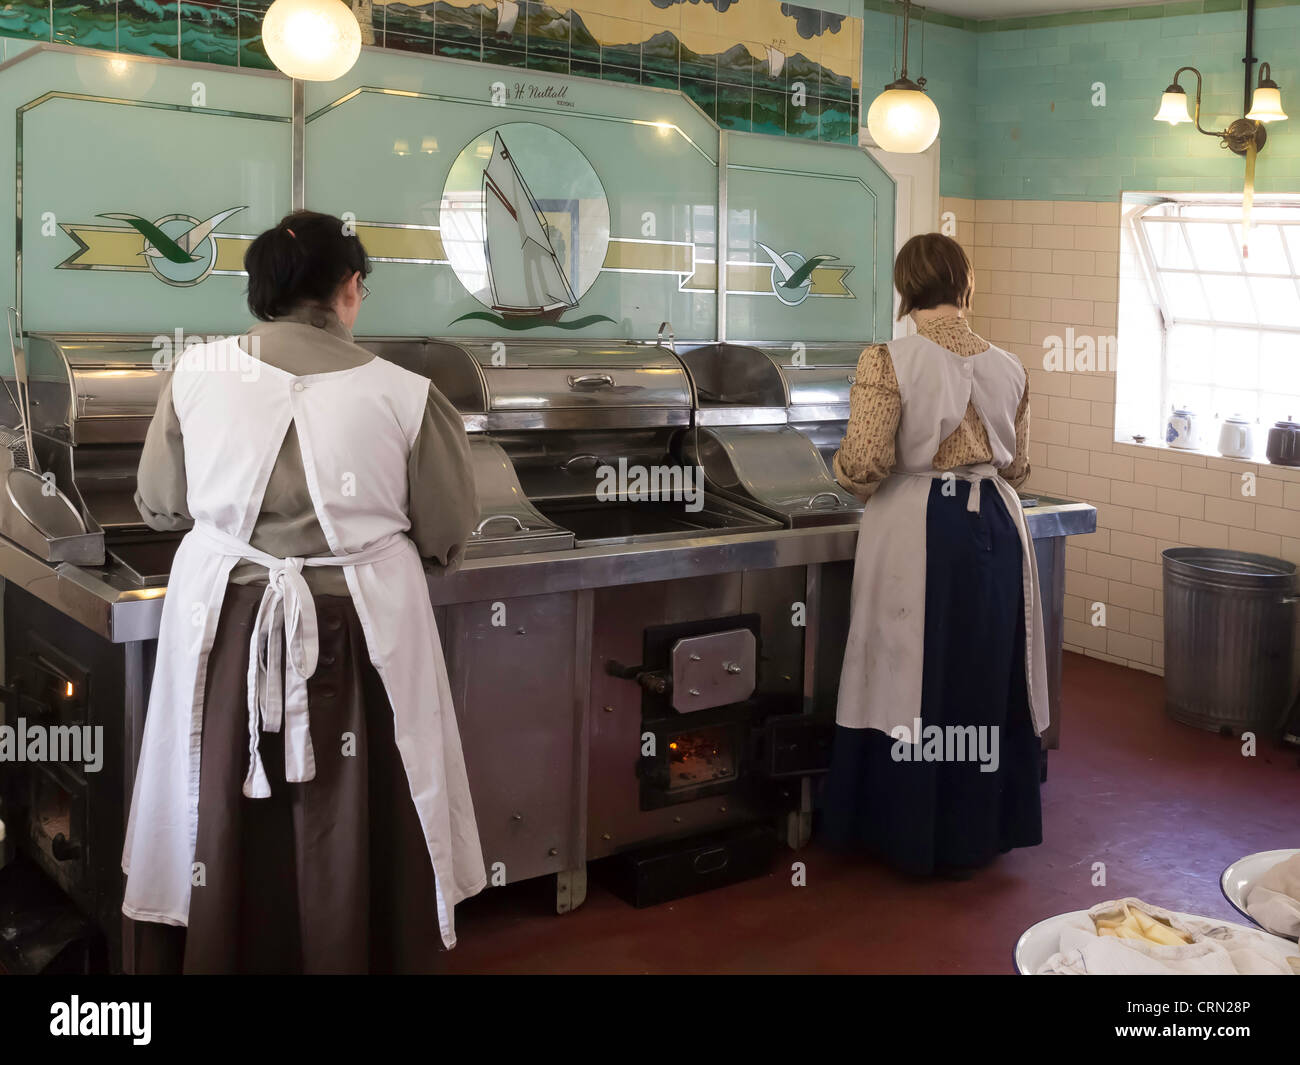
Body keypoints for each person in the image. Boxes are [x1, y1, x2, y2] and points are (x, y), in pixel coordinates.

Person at [122, 210, 486, 973]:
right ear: (351, 288)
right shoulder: (408, 394)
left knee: (218, 800)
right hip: (360, 638)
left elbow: (159, 503)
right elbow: (447, 532)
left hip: (227, 628)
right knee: (350, 811)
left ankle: (222, 949)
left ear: (262, 293)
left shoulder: (195, 372)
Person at [822, 232, 1048, 877]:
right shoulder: (1010, 365)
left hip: (920, 526)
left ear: (905, 286)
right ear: (964, 284)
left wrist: (836, 473)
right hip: (998, 527)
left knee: (908, 672)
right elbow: (1022, 468)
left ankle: (908, 829)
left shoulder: (886, 360)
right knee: (984, 668)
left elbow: (865, 462)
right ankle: (980, 828)